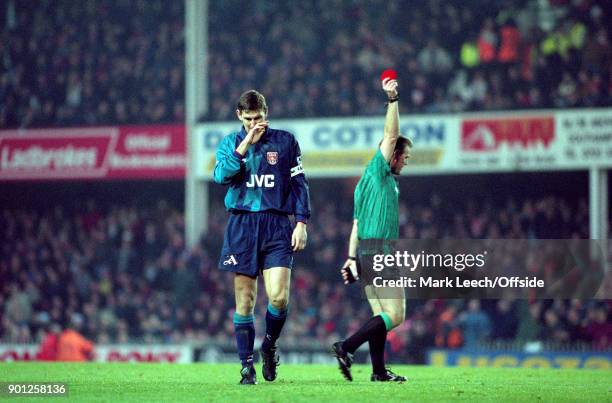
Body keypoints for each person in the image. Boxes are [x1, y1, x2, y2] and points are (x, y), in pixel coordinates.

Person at [213, 90, 311, 385]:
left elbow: (299, 183)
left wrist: (301, 223)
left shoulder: (285, 141)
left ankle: (268, 345)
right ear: (239, 116)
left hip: (277, 224)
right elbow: (221, 176)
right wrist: (245, 144)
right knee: (245, 299)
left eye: (259, 118)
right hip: (243, 225)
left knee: (279, 297)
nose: (255, 123)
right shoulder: (231, 143)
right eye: (249, 119)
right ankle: (246, 367)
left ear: (266, 113)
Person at [332, 77, 412, 382]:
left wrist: (351, 258)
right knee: (396, 314)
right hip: (381, 252)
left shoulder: (364, 186)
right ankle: (347, 346)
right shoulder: (379, 172)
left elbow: (355, 225)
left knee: (380, 313)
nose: (406, 163)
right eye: (404, 157)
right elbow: (391, 133)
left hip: (365, 252)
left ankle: (378, 372)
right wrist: (393, 100)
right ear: (392, 155)